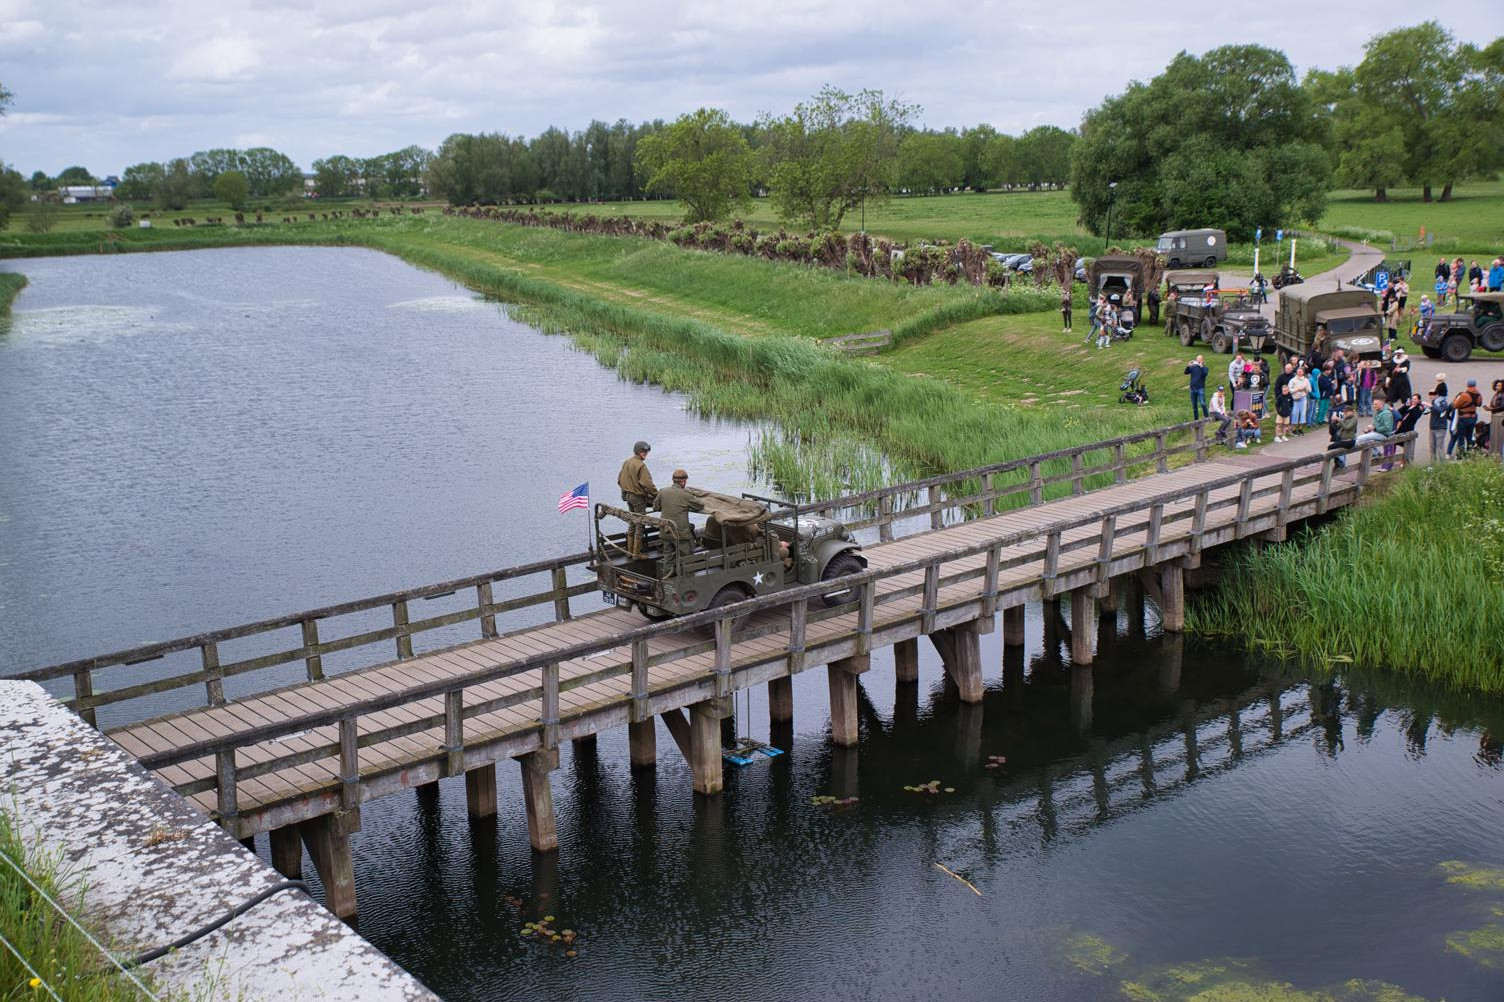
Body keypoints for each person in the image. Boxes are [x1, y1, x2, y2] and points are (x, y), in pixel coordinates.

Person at [653, 468, 704, 565]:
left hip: (666, 532)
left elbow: (655, 507)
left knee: (668, 558)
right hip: (681, 535)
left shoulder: (662, 491)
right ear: (683, 481)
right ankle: (687, 573)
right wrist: (690, 494)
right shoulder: (685, 495)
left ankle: (668, 573)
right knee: (687, 559)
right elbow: (700, 505)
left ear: (673, 480)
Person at [617, 440, 658, 557]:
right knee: (640, 524)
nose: (646, 453)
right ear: (638, 452)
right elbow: (648, 485)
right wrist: (657, 495)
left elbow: (619, 480)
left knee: (632, 522)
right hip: (638, 498)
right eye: (643, 451)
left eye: (646, 451)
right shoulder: (641, 465)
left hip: (628, 496)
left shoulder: (627, 462)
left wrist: (626, 491)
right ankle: (637, 553)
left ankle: (630, 552)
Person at [1449, 379, 1484, 458]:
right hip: (1473, 418)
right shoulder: (1478, 394)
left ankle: (1460, 455)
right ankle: (1469, 453)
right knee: (1469, 436)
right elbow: (1479, 404)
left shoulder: (1464, 395)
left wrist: (1455, 400)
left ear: (1467, 385)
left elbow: (1455, 405)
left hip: (1463, 418)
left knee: (1461, 437)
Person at [1272, 361, 1295, 441]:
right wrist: (1279, 396)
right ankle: (1277, 436)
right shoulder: (1281, 377)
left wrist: (1290, 410)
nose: (1287, 370)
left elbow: (1292, 404)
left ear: (1291, 369)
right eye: (1286, 369)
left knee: (1286, 423)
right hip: (1281, 400)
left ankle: (1284, 435)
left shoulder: (1293, 377)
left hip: (1287, 407)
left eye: (1289, 369)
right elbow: (1276, 387)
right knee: (1279, 423)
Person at [1184, 354, 1209, 419]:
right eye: (1197, 359)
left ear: (1202, 360)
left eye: (1199, 359)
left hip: (1200, 388)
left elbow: (1205, 374)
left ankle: (1206, 417)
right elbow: (1186, 372)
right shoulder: (1193, 367)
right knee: (1194, 406)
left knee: (1203, 403)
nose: (1198, 361)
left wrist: (1201, 367)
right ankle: (1196, 419)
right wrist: (1188, 366)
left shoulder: (1205, 368)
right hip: (1192, 388)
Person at [1488, 378, 1504, 460]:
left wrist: (1492, 409)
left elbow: (1503, 406)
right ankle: (1494, 454)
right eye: (1497, 385)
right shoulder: (1497, 394)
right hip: (1495, 416)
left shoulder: (1502, 395)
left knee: (1499, 436)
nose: (1497, 387)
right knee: (1494, 436)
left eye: (1499, 386)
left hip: (1500, 417)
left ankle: (1499, 456)